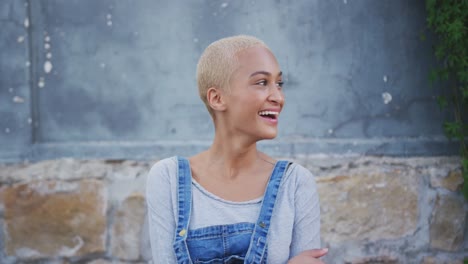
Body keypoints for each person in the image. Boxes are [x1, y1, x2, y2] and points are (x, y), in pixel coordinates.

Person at [146, 35, 327, 264]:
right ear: (217, 98)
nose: (278, 97)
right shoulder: (168, 179)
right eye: (262, 82)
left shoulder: (296, 183)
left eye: (279, 84)